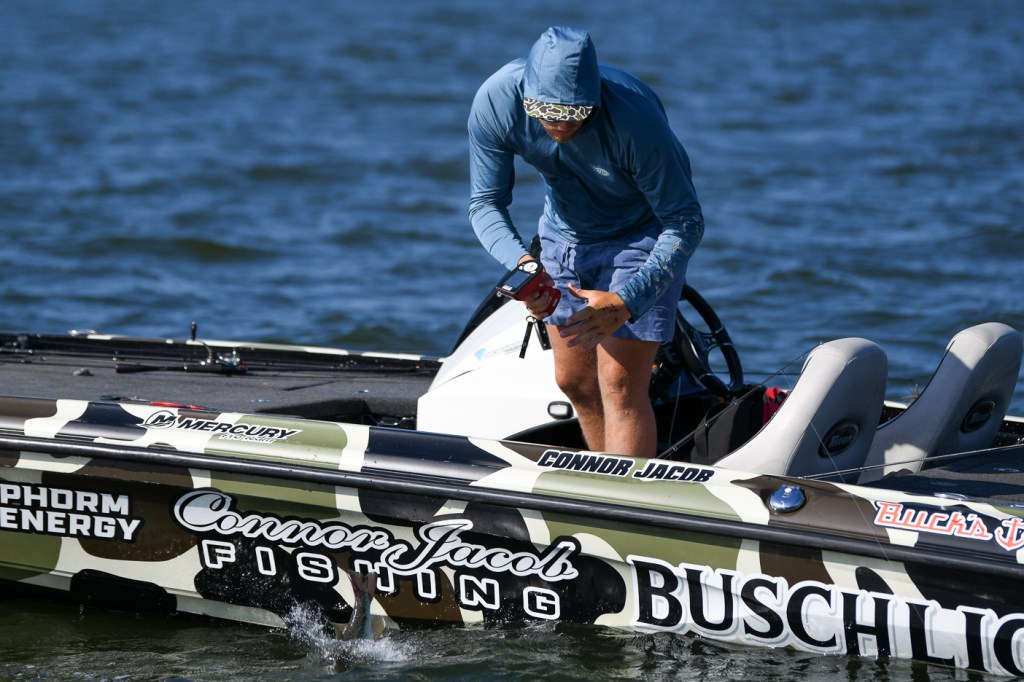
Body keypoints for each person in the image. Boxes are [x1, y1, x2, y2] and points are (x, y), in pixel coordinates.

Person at [468, 26, 704, 458]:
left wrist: (627, 301)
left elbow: (685, 221)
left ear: (594, 98)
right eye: (545, 109)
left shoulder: (636, 121)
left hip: (643, 235)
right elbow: (485, 203)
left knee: (619, 383)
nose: (560, 121)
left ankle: (628, 494)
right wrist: (528, 270)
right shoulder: (496, 101)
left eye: (575, 111)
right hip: (564, 233)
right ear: (526, 97)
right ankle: (601, 480)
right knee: (574, 381)